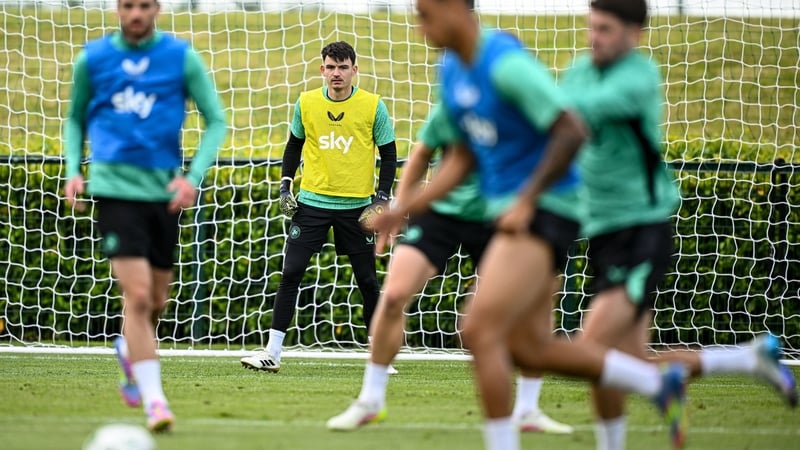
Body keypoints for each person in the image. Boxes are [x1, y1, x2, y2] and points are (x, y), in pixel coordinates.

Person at [369, 0, 695, 449]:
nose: (417, 26)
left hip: (550, 207)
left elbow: (571, 128)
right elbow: (461, 156)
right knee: (529, 348)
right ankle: (655, 381)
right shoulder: (451, 70)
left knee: (479, 329)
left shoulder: (505, 65)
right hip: (518, 210)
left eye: (425, 14)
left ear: (456, 10)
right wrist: (407, 205)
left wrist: (526, 199)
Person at [558, 2, 798, 449]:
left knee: (591, 351)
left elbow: (574, 112)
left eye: (606, 30)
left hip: (642, 231)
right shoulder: (578, 71)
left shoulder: (638, 77)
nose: (595, 38)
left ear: (636, 33)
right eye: (592, 27)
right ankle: (749, 359)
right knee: (624, 362)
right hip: (603, 234)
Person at [326, 133, 572, 434]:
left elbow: (559, 140)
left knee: (534, 304)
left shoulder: (519, 95)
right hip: (442, 213)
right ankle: (371, 400)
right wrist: (400, 206)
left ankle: (528, 408)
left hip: (500, 213)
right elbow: (422, 154)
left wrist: (531, 201)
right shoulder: (457, 97)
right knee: (394, 295)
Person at [62, 0, 227, 433]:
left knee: (155, 303)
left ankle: (128, 348)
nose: (136, 13)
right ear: (118, 8)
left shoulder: (180, 57)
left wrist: (192, 177)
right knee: (135, 298)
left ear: (157, 8)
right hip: (115, 191)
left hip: (164, 195)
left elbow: (216, 121)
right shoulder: (94, 59)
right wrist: (74, 171)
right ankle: (156, 402)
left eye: (144, 5)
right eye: (128, 5)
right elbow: (75, 119)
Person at [240, 41, 397, 373]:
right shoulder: (306, 103)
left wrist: (382, 198)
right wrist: (285, 185)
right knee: (291, 272)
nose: (336, 73)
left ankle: (379, 357)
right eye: (330, 66)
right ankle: (272, 352)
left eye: (343, 67)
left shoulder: (373, 106)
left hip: (358, 208)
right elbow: (293, 145)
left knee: (367, 280)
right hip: (311, 204)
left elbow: (389, 155)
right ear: (321, 69)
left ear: (355, 69)